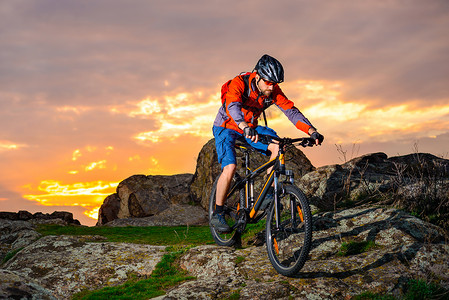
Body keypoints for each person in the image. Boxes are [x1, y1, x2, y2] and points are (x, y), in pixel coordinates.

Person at [211, 54, 324, 232]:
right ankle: (217, 213)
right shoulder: (239, 83)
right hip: (227, 127)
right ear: (257, 76)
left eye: (274, 83)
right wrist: (243, 126)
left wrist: (311, 131)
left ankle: (269, 193)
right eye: (268, 83)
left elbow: (291, 111)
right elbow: (232, 106)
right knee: (230, 167)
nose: (271, 87)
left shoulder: (273, 90)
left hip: (250, 128)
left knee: (278, 146)